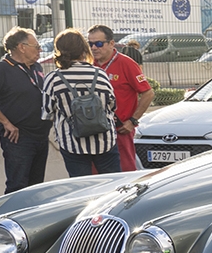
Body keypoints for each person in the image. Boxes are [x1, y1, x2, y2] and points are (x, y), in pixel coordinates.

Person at [0, 27, 50, 193]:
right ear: (22, 47)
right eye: (36, 46)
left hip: (41, 137)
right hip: (19, 139)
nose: (40, 50)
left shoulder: (36, 67)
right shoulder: (1, 69)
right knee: (18, 187)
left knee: (36, 187)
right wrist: (5, 122)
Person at [42, 28, 120, 177]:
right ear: (84, 49)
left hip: (72, 143)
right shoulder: (100, 74)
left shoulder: (53, 79)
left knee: (81, 187)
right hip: (105, 141)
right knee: (113, 184)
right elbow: (112, 105)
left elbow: (47, 112)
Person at [88, 24, 154, 172]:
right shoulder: (88, 65)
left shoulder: (126, 63)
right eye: (90, 44)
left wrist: (132, 121)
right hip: (93, 131)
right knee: (95, 177)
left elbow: (148, 93)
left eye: (98, 43)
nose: (94, 48)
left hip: (120, 131)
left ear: (111, 43)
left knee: (124, 173)